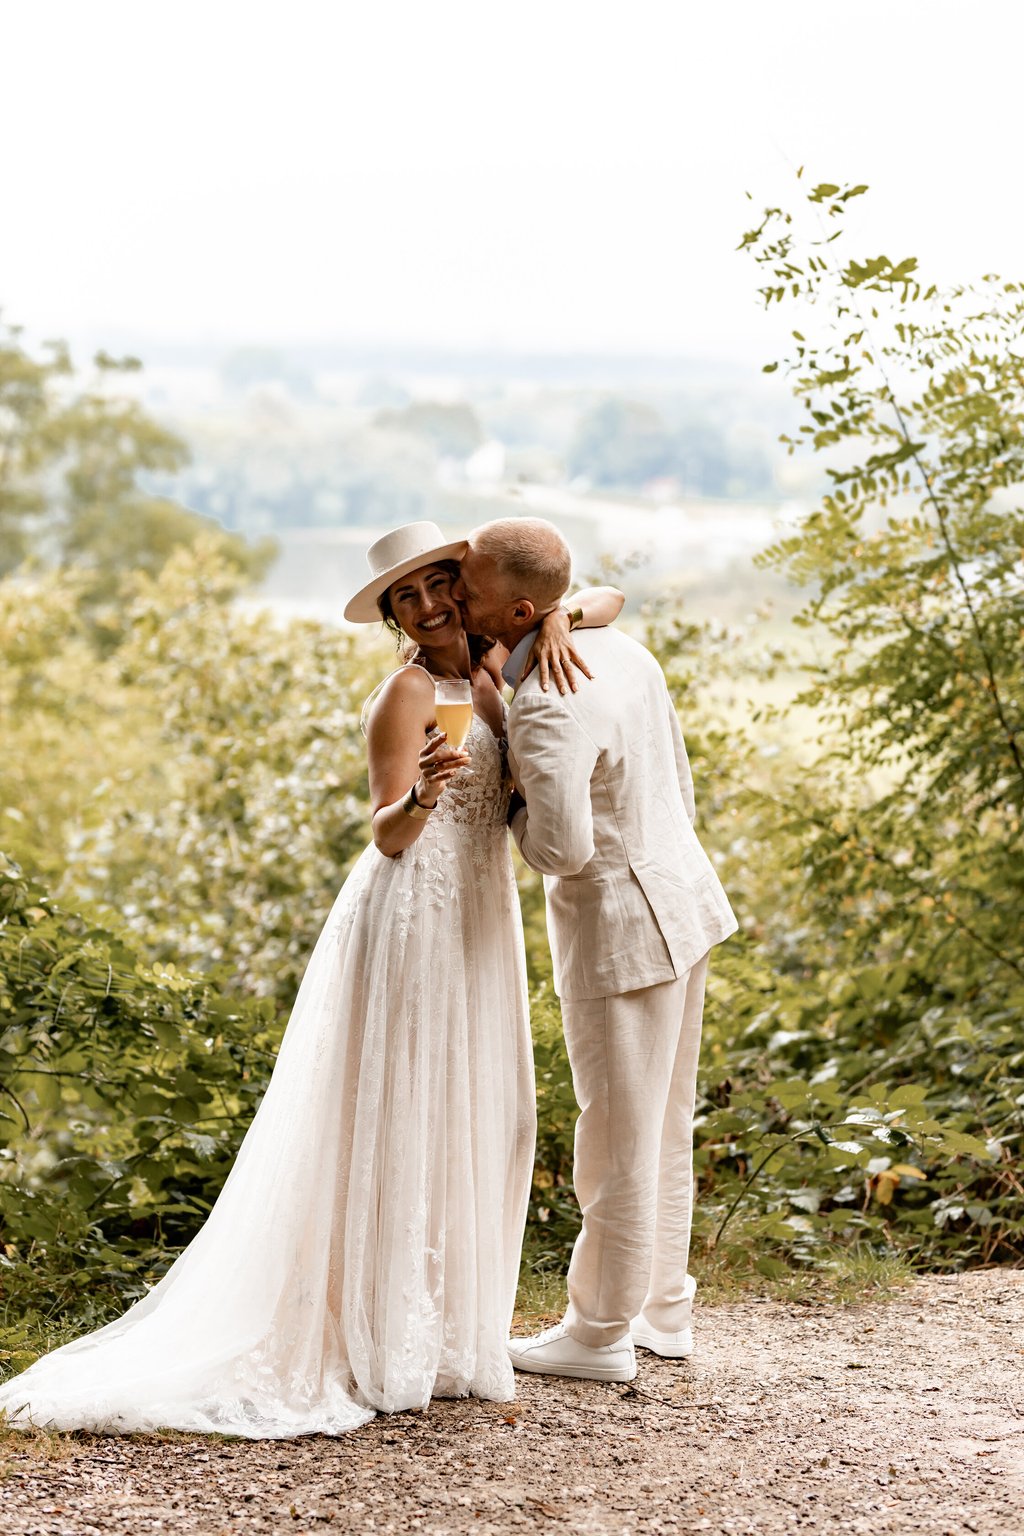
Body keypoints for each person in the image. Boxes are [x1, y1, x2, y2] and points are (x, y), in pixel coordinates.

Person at [0, 521, 623, 1438]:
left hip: (482, 913)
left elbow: (609, 598)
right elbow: (384, 833)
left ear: (466, 584)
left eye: (436, 584)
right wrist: (421, 794)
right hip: (413, 904)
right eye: (401, 599)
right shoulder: (407, 691)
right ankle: (379, 1333)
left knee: (477, 1105)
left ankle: (450, 1334)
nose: (425, 606)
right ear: (391, 617)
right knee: (406, 1101)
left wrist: (563, 618)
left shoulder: (499, 664)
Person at [454, 517, 738, 1384]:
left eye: (469, 593)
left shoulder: (544, 702)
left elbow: (560, 850)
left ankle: (600, 1332)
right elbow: (673, 778)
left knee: (613, 1135)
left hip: (621, 932)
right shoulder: (624, 649)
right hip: (684, 902)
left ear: (521, 609)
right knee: (662, 1124)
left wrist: (501, 788)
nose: (456, 601)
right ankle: (664, 1311)